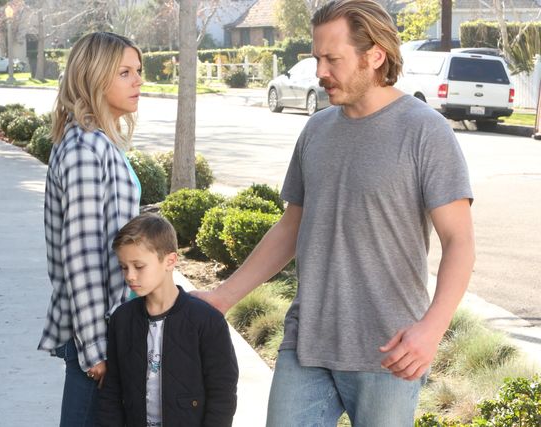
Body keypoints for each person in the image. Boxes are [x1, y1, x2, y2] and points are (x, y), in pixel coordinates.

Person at [193, 1, 475, 425]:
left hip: (389, 349)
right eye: (316, 58)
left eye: (332, 59)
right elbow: (291, 227)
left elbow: (460, 242)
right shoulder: (317, 129)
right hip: (307, 341)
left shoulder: (424, 131)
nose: (320, 72)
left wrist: (432, 329)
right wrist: (222, 297)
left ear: (374, 56)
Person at [37, 32, 143, 427]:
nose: (138, 81)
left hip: (110, 323)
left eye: (138, 71)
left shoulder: (98, 142)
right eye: (125, 72)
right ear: (95, 77)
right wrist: (96, 349)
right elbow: (81, 256)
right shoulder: (83, 149)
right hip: (97, 333)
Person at [96, 213, 239, 427]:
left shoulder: (207, 321)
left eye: (139, 266)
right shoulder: (122, 319)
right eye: (124, 267)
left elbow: (222, 393)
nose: (130, 276)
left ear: (170, 261)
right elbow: (112, 390)